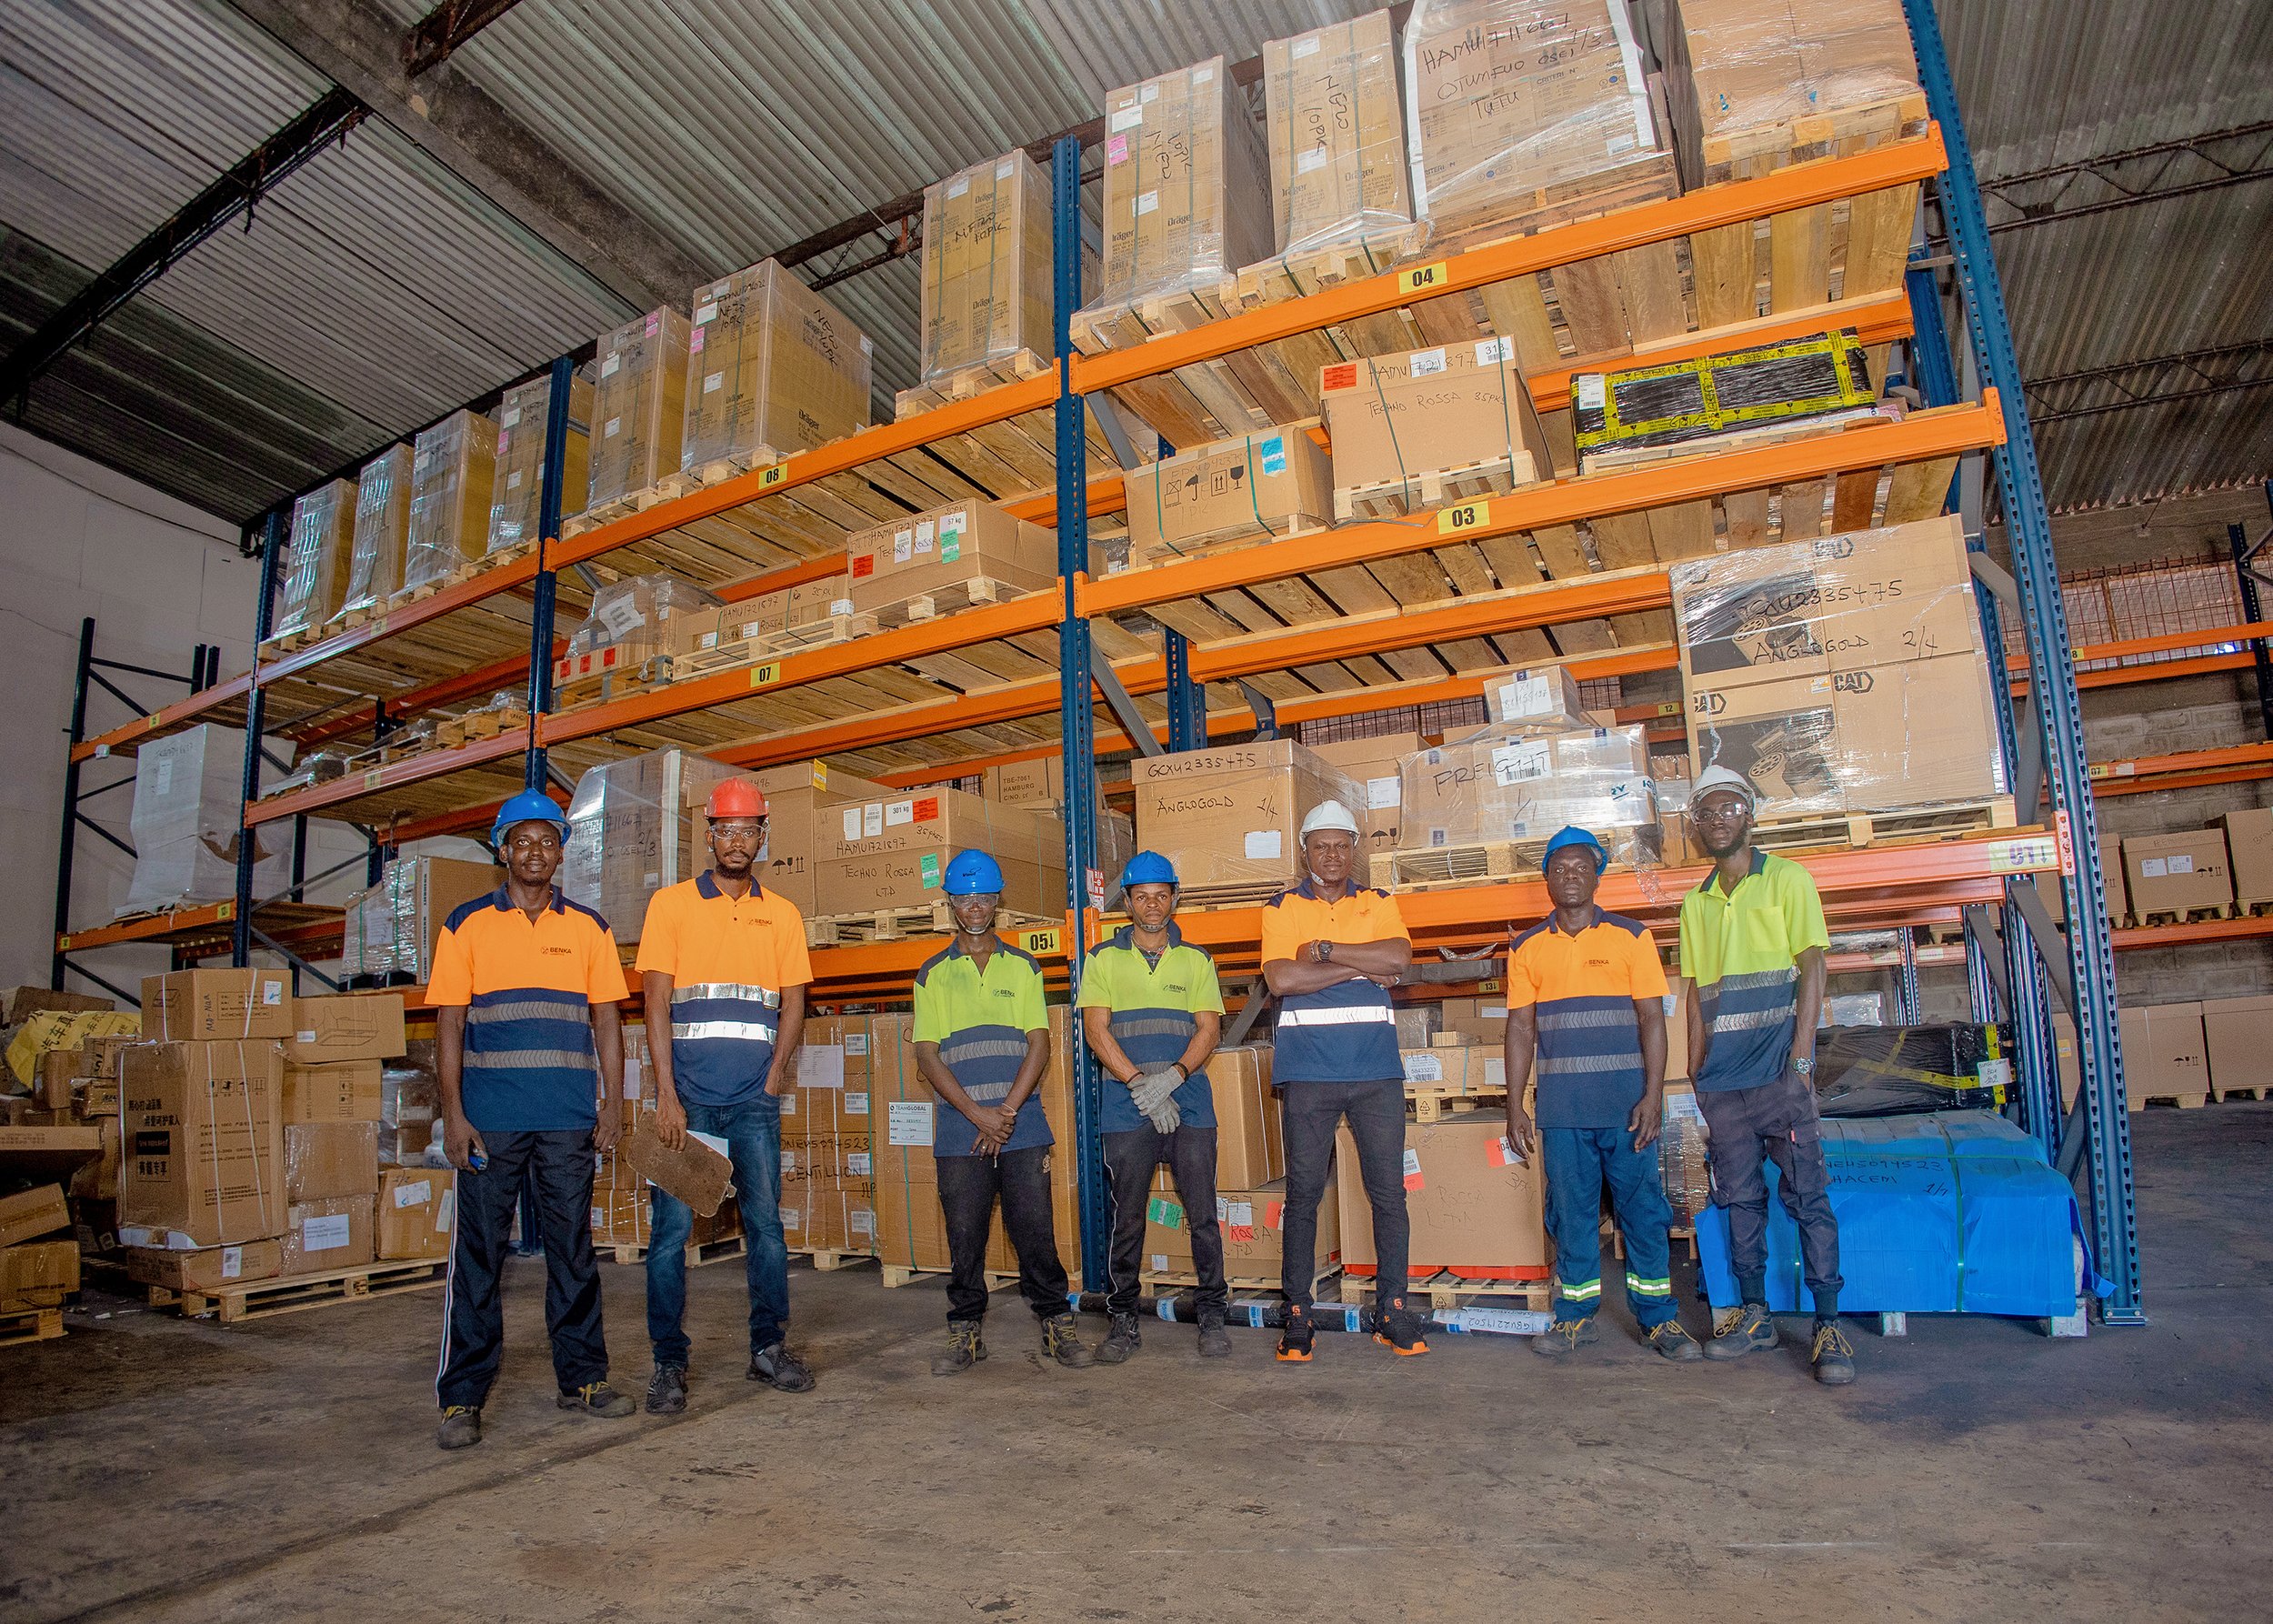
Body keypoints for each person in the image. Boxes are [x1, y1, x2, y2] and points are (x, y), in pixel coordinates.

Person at [429, 789, 636, 1449]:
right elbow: (449, 1025)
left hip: (568, 1121)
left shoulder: (589, 928)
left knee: (573, 1252)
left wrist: (614, 1102)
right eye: (523, 840)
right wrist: (454, 1116)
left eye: (548, 841)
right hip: (489, 1126)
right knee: (479, 1260)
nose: (535, 852)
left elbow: (608, 1018)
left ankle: (583, 1380)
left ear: (561, 852)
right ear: (502, 848)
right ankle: (462, 1397)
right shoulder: (465, 925)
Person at [636, 777, 816, 1414]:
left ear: (762, 838)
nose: (737, 842)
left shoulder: (783, 913)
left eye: (748, 831)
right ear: (709, 836)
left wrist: (773, 1079)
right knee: (671, 1234)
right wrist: (666, 1095)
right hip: (690, 1104)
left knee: (766, 1229)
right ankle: (668, 1365)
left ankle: (769, 1349)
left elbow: (794, 1002)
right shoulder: (672, 906)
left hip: (753, 1103)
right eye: (725, 831)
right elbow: (656, 1002)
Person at [1677, 765, 1853, 1385]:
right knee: (1739, 1199)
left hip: (1781, 1076)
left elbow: (1813, 966)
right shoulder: (1695, 903)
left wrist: (1801, 1062)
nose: (1719, 820)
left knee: (1808, 1196)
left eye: (1730, 808)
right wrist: (1696, 1075)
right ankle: (1754, 1316)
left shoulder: (1787, 880)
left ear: (1749, 816)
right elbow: (1696, 992)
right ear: (1696, 824)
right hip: (1724, 1085)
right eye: (1708, 812)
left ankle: (1829, 1324)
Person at [1504, 827, 1700, 1362]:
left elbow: (1652, 1021)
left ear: (1597, 875)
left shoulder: (1631, 937)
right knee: (1571, 1214)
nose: (1570, 876)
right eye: (1559, 868)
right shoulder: (1525, 948)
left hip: (1627, 1109)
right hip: (1563, 1113)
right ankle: (1573, 1318)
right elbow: (1520, 1030)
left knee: (1643, 1212)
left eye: (1580, 867)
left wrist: (1653, 1096)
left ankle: (1659, 1321)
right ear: (1546, 878)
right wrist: (1514, 1103)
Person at [914, 849, 1094, 1376]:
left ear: (997, 902)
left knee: (1034, 1227)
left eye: (985, 897)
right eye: (965, 897)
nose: (975, 906)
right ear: (950, 904)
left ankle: (1056, 1320)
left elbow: (1039, 1042)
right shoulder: (933, 974)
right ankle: (965, 1329)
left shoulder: (1024, 966)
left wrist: (1007, 1112)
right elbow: (927, 1055)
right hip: (959, 1127)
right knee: (965, 1231)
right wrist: (978, 1115)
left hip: (1022, 1123)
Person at [1260, 800, 1426, 1363]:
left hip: (1375, 1073)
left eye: (1341, 845)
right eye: (1321, 845)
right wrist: (1364, 965)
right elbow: (1281, 977)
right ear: (1304, 850)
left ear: (1354, 849)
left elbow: (1400, 958)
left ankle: (1393, 1312)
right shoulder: (1282, 907)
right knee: (1303, 1194)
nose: (1332, 855)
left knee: (1388, 1194)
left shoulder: (1378, 901)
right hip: (1308, 1076)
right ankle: (1298, 1315)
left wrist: (1329, 953)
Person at [1078, 851, 1231, 1361]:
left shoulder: (1197, 959)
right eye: (1142, 896)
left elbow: (1209, 1028)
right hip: (1126, 1108)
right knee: (1129, 1217)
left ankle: (1212, 1312)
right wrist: (1140, 1084)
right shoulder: (1101, 959)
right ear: (1127, 902)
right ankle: (1122, 1319)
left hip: (1189, 1103)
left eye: (1161, 896)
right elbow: (1096, 1029)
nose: (1152, 905)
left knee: (1204, 1214)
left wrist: (1172, 1078)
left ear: (1175, 898)